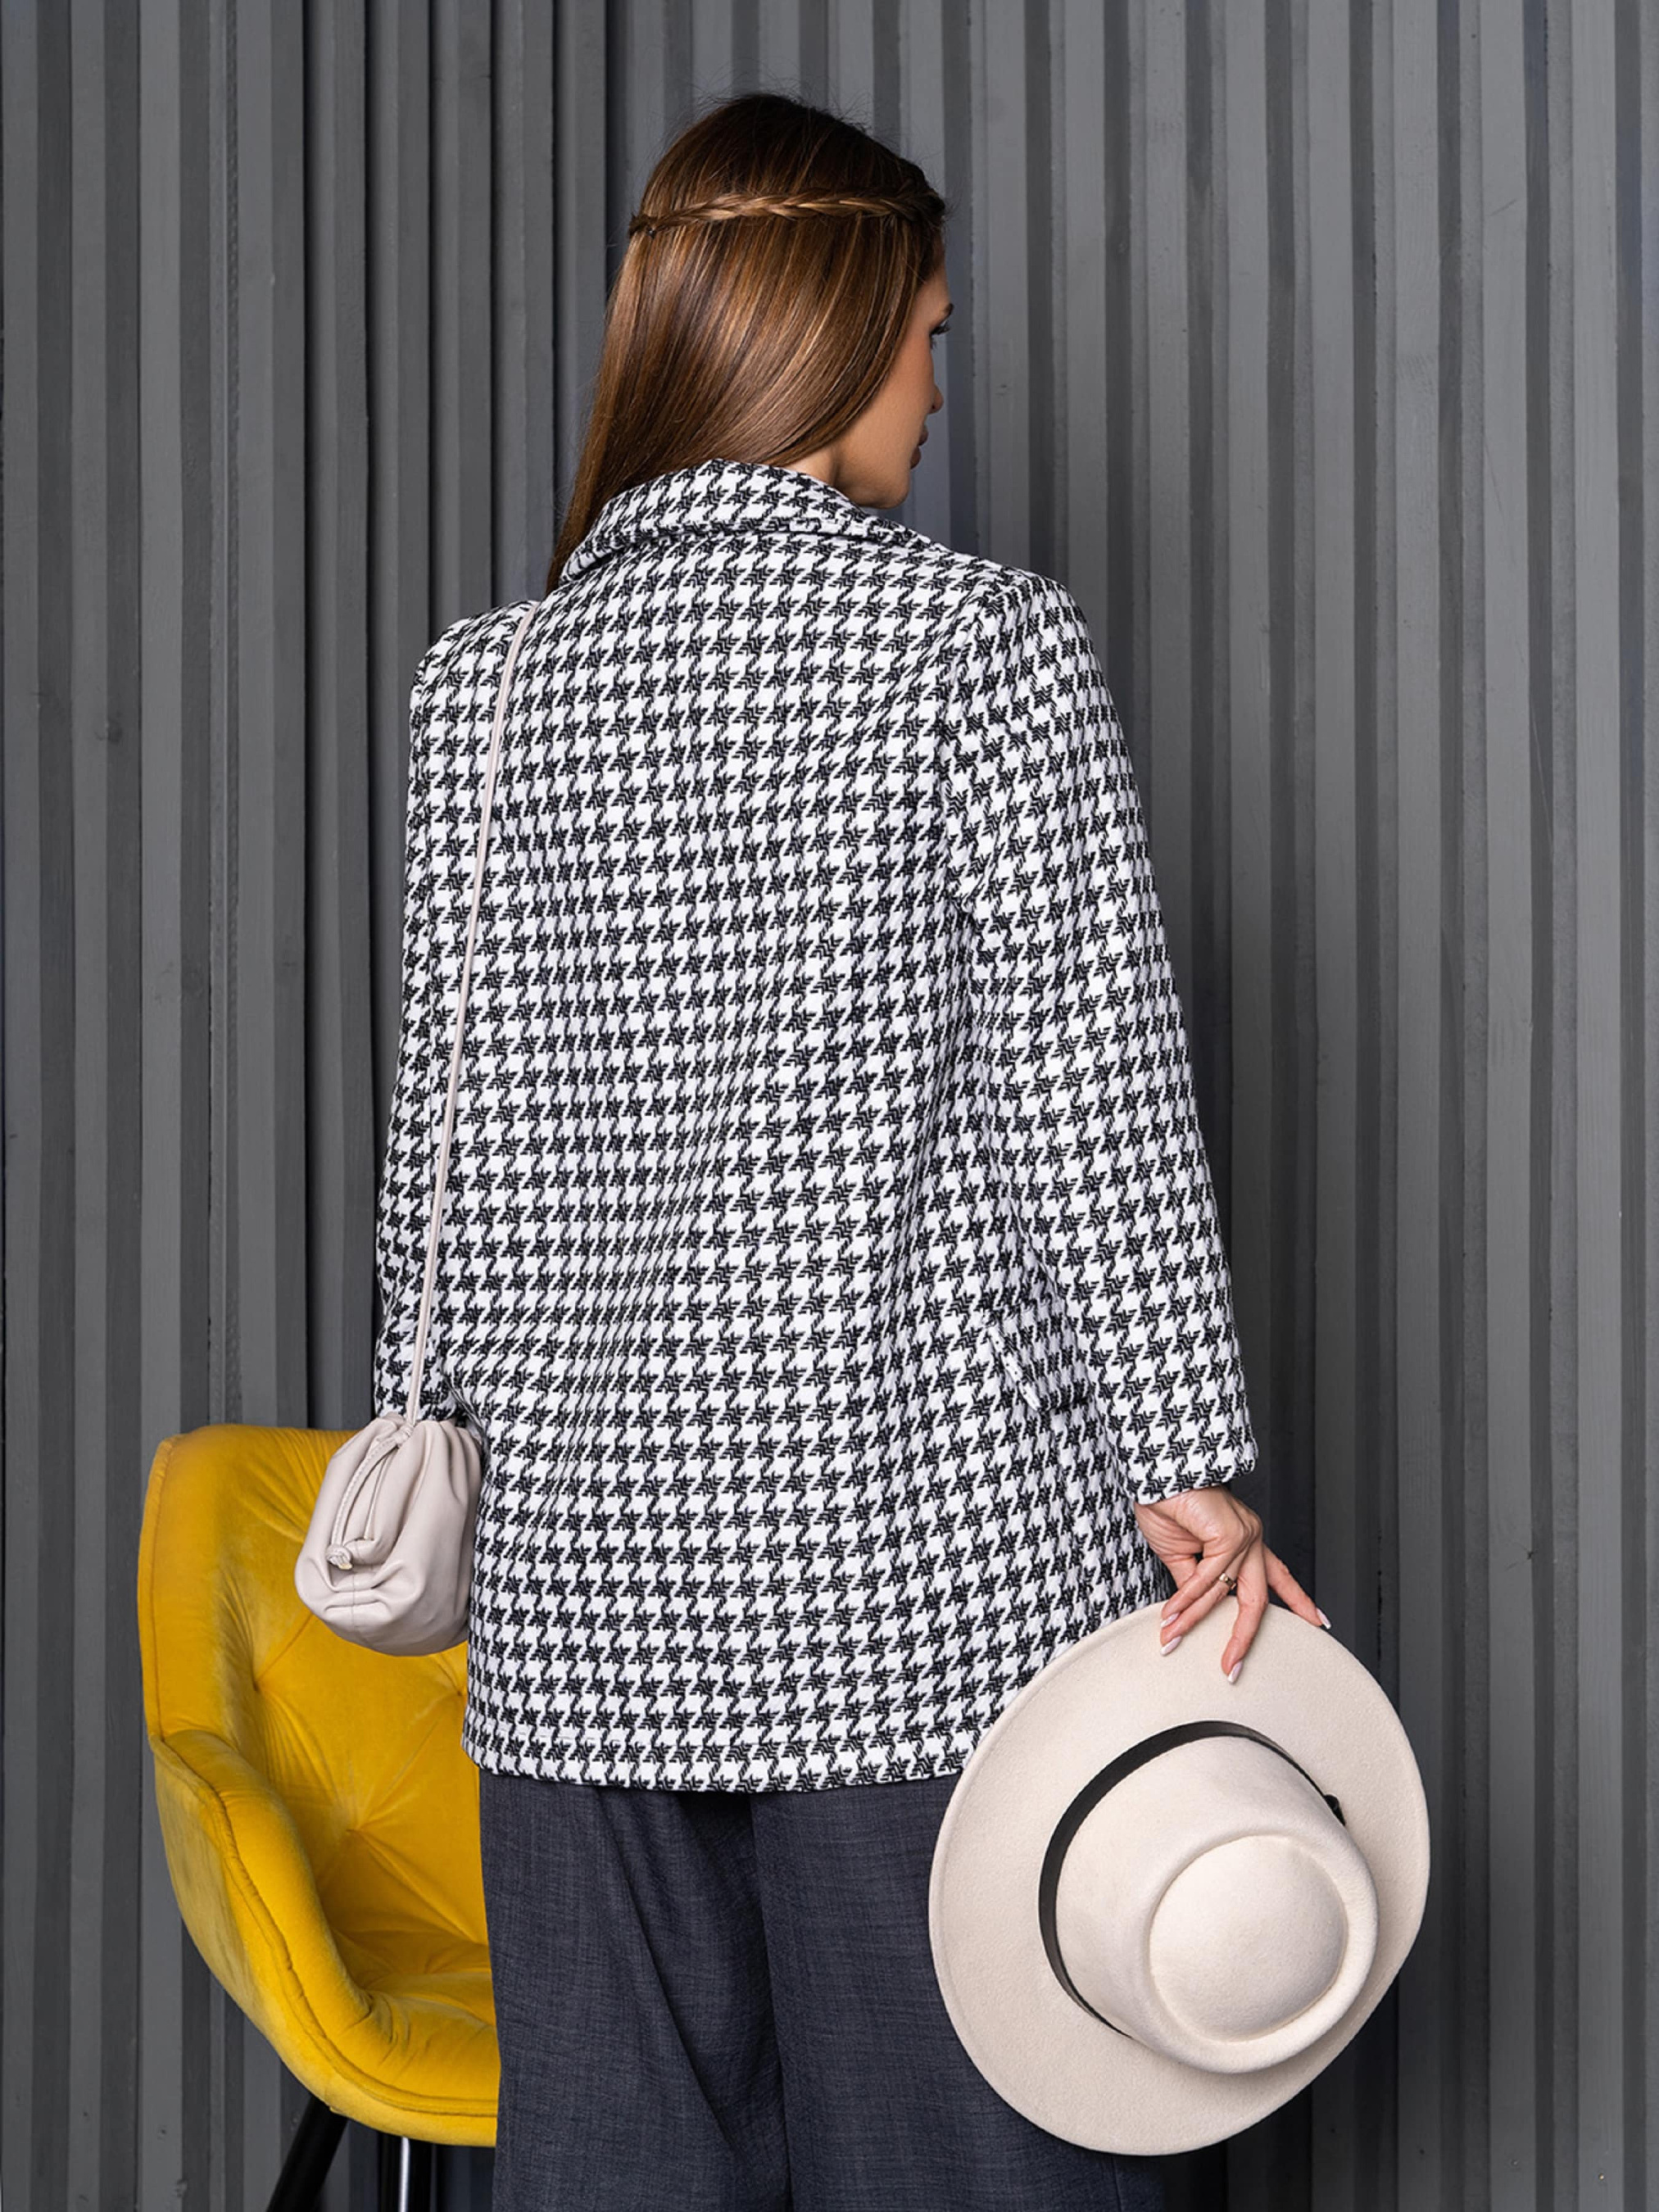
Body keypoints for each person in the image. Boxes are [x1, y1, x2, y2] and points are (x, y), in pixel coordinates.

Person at [371, 88, 1325, 2212]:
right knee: (984, 2165)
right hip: (917, 1588)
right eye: (928, 336)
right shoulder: (976, 647)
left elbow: (439, 1154)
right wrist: (1189, 1469)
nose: (934, 392)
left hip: (580, 1602)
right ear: (831, 336)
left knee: (622, 2179)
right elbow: (1091, 1097)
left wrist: (435, 1450)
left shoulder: (482, 695)